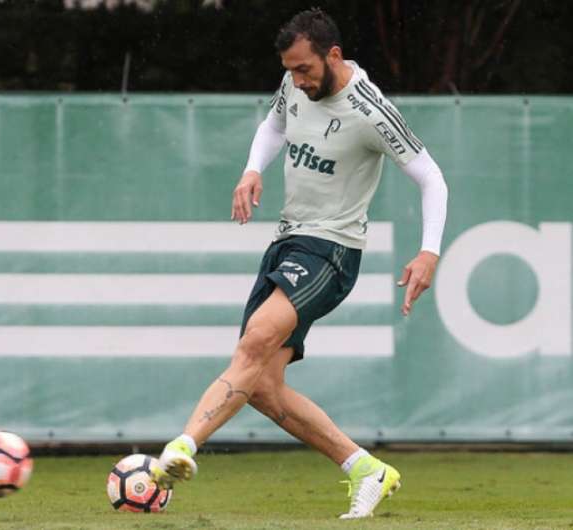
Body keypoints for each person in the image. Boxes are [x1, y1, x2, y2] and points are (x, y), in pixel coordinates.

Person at [152, 7, 448, 519]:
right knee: (263, 386)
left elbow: (431, 178)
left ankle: (181, 448)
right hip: (288, 242)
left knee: (254, 341)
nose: (296, 79)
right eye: (289, 69)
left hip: (332, 251)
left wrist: (429, 251)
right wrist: (250, 170)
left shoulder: (371, 111)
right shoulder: (295, 86)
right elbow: (273, 125)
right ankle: (364, 468)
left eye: (304, 68)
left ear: (333, 55)